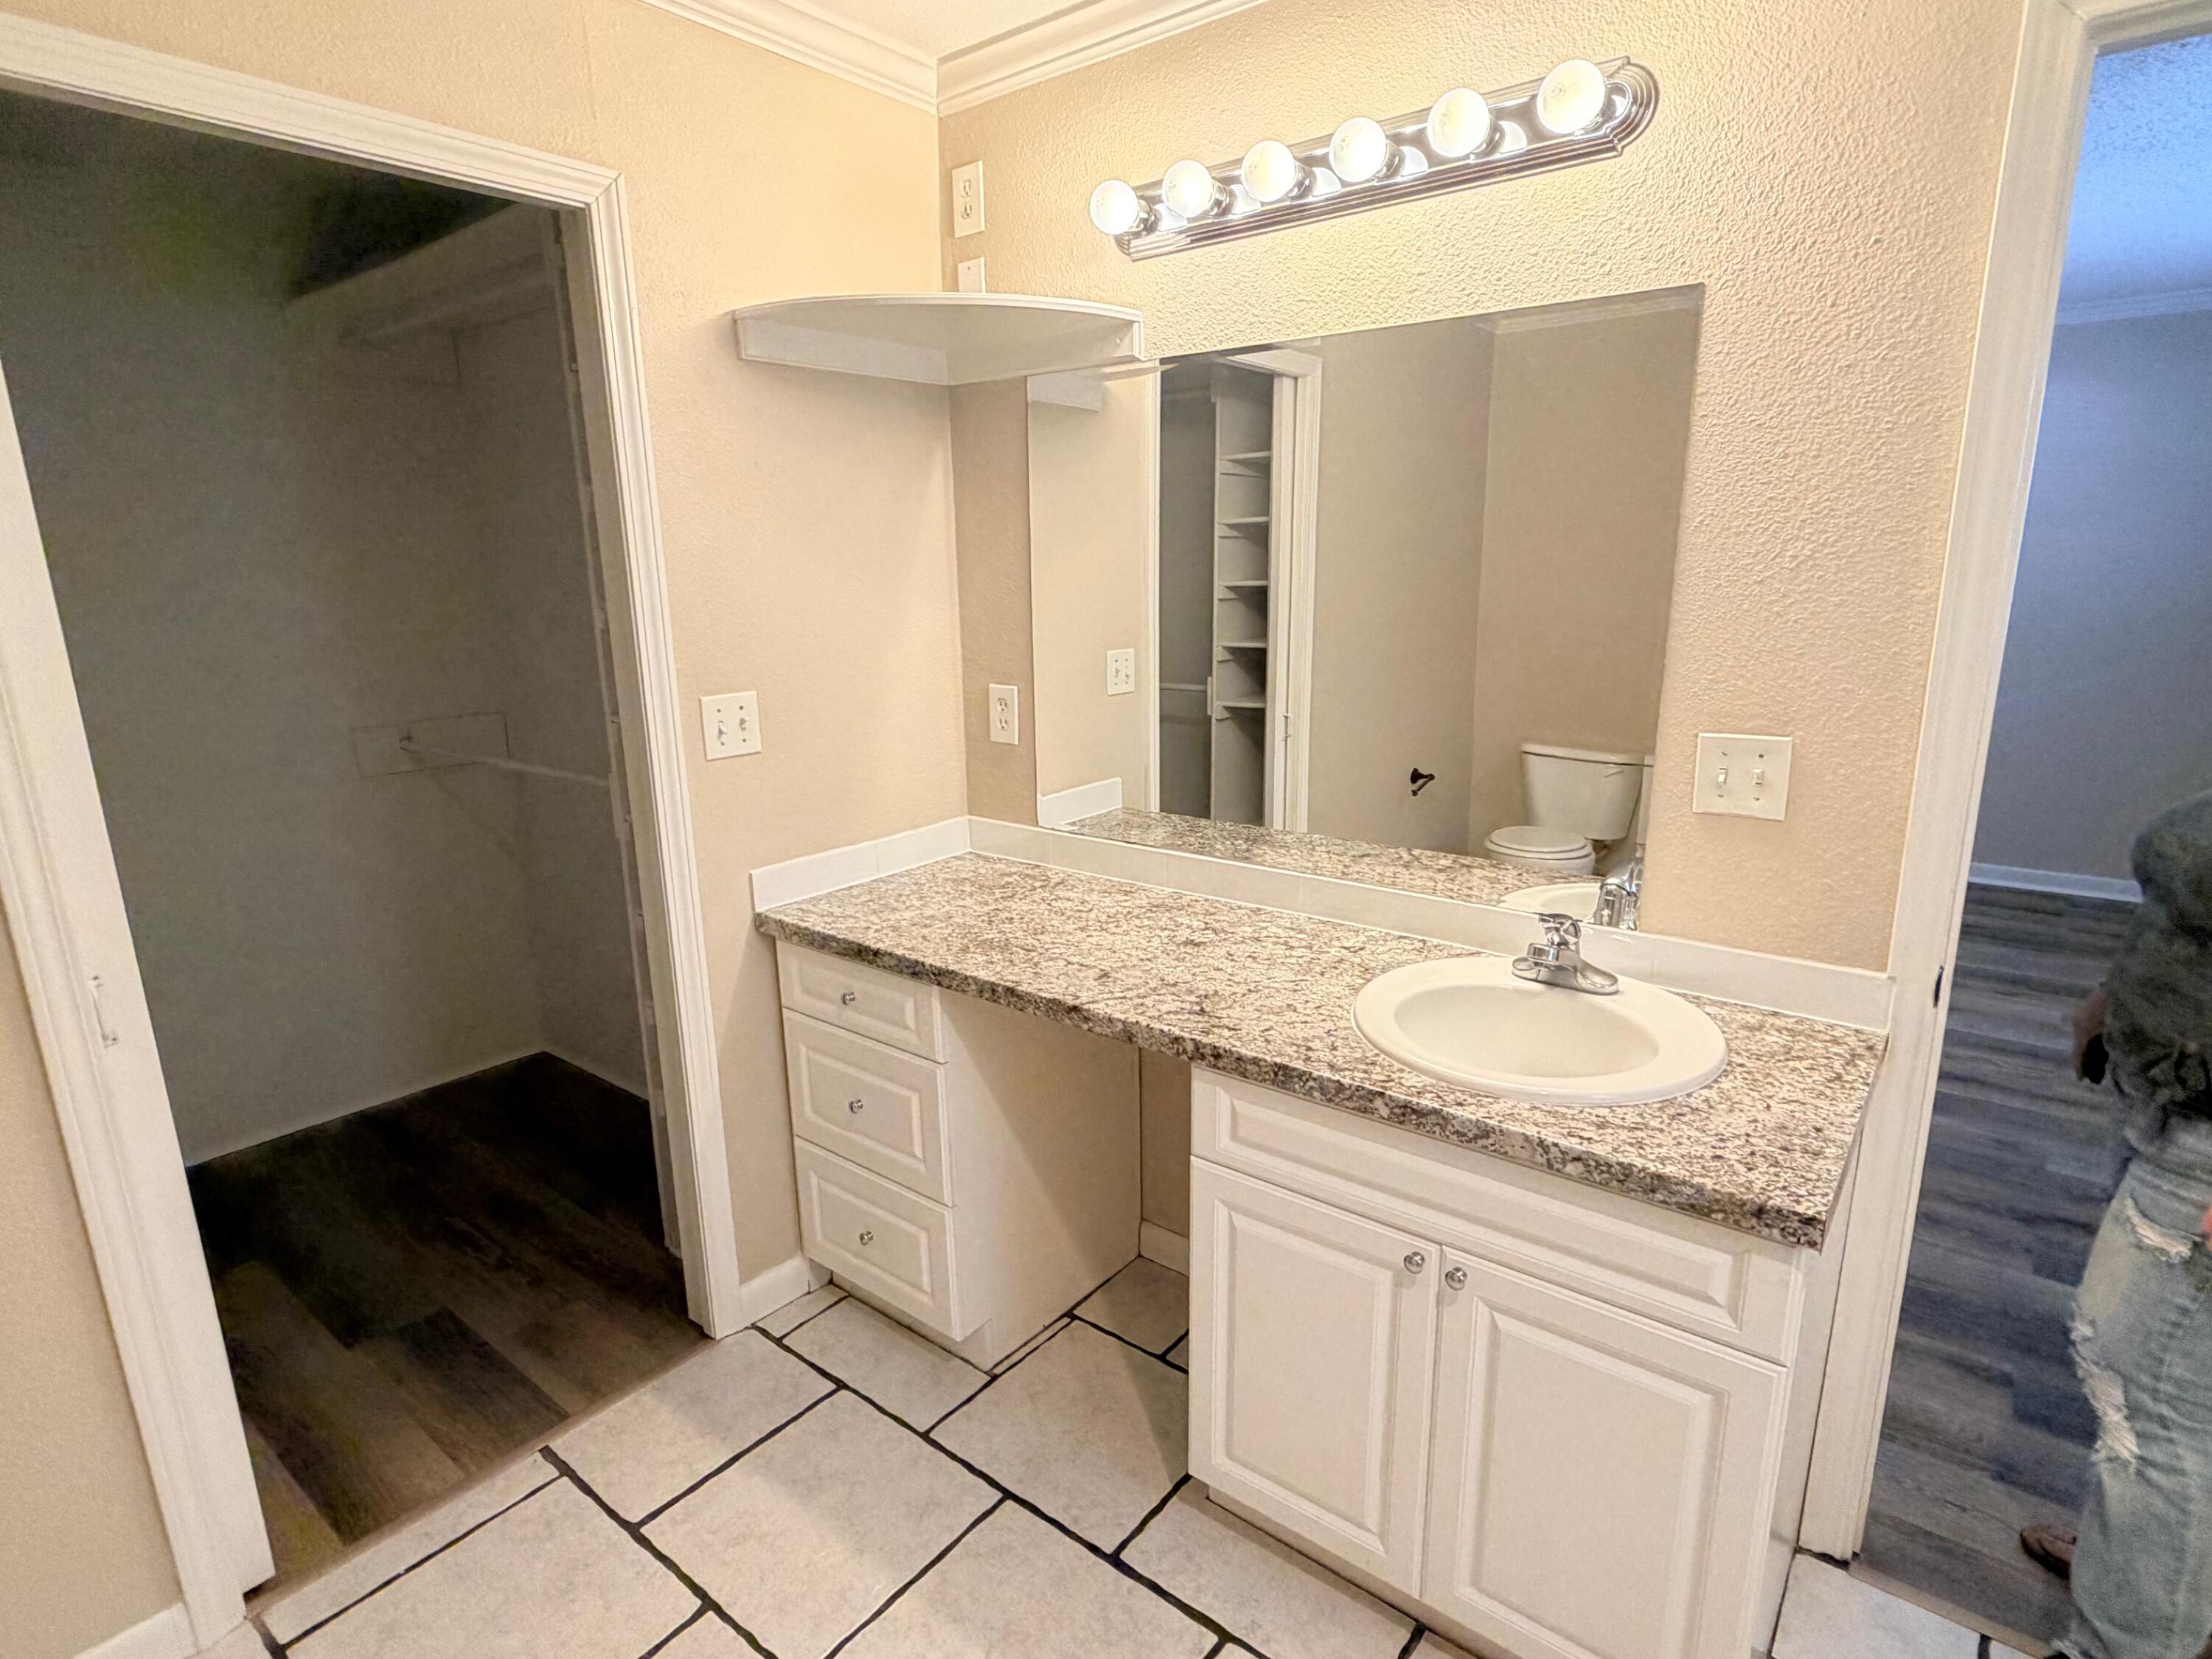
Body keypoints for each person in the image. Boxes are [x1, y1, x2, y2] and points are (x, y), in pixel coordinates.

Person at [2029, 788, 2212, 1659]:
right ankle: (2150, 1573)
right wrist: (2123, 991)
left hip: (2205, 1149)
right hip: (2174, 1100)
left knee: (2153, 1415)